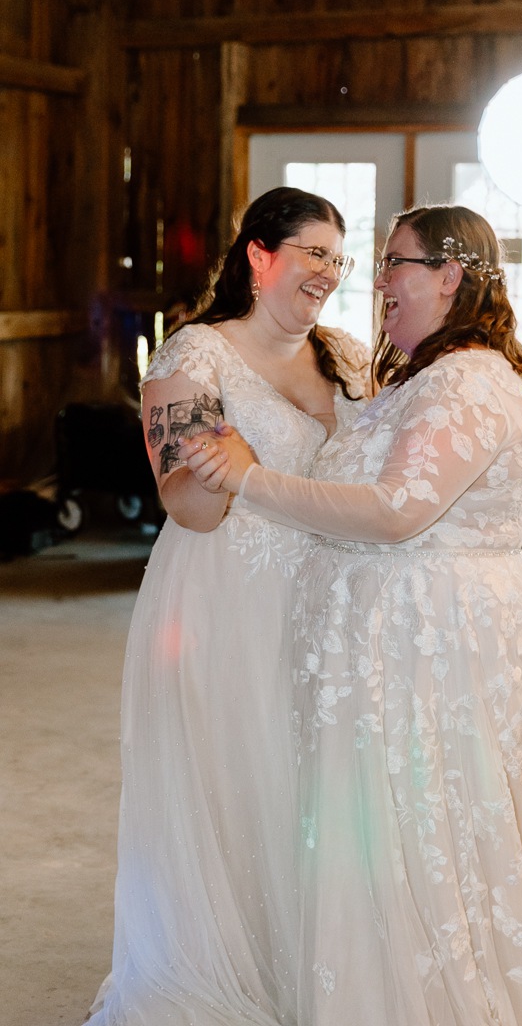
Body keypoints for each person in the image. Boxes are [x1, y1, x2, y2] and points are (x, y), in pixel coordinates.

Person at [181, 204, 522, 1026]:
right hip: (400, 648)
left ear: (449, 277)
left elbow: (396, 510)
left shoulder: (468, 378)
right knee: (396, 837)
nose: (376, 281)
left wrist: (248, 476)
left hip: (434, 646)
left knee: (431, 836)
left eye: (393, 263)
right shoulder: (423, 376)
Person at [85, 186, 370, 1026]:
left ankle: (309, 956)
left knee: (314, 782)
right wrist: (222, 464)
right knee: (236, 776)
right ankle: (226, 962)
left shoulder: (348, 355)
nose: (329, 272)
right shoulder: (193, 357)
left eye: (337, 257)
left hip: (332, 594)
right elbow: (191, 505)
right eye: (314, 251)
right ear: (259, 255)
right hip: (225, 597)